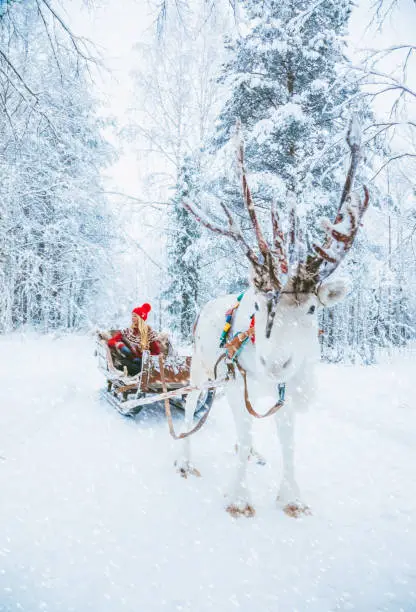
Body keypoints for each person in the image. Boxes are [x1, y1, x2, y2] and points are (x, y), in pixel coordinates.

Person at [108, 303, 161, 376]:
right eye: (132, 316)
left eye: (135, 316)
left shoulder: (149, 334)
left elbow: (156, 353)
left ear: (141, 318)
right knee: (120, 363)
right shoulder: (128, 332)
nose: (132, 318)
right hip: (132, 361)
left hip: (143, 366)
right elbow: (111, 341)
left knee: (131, 367)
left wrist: (143, 357)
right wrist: (119, 345)